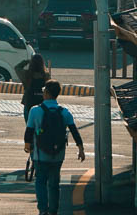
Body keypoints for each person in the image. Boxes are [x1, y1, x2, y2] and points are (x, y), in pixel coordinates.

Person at [24, 79, 85, 215]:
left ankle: (43, 210)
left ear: (46, 92)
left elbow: (29, 132)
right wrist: (80, 148)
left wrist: (28, 146)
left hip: (40, 154)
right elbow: (74, 131)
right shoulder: (65, 112)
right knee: (54, 184)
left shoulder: (35, 110)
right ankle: (53, 211)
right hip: (58, 155)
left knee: (40, 182)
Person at [15, 54, 50, 122]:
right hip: (42, 103)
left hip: (29, 102)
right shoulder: (46, 75)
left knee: (29, 126)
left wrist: (27, 61)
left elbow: (17, 68)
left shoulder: (26, 75)